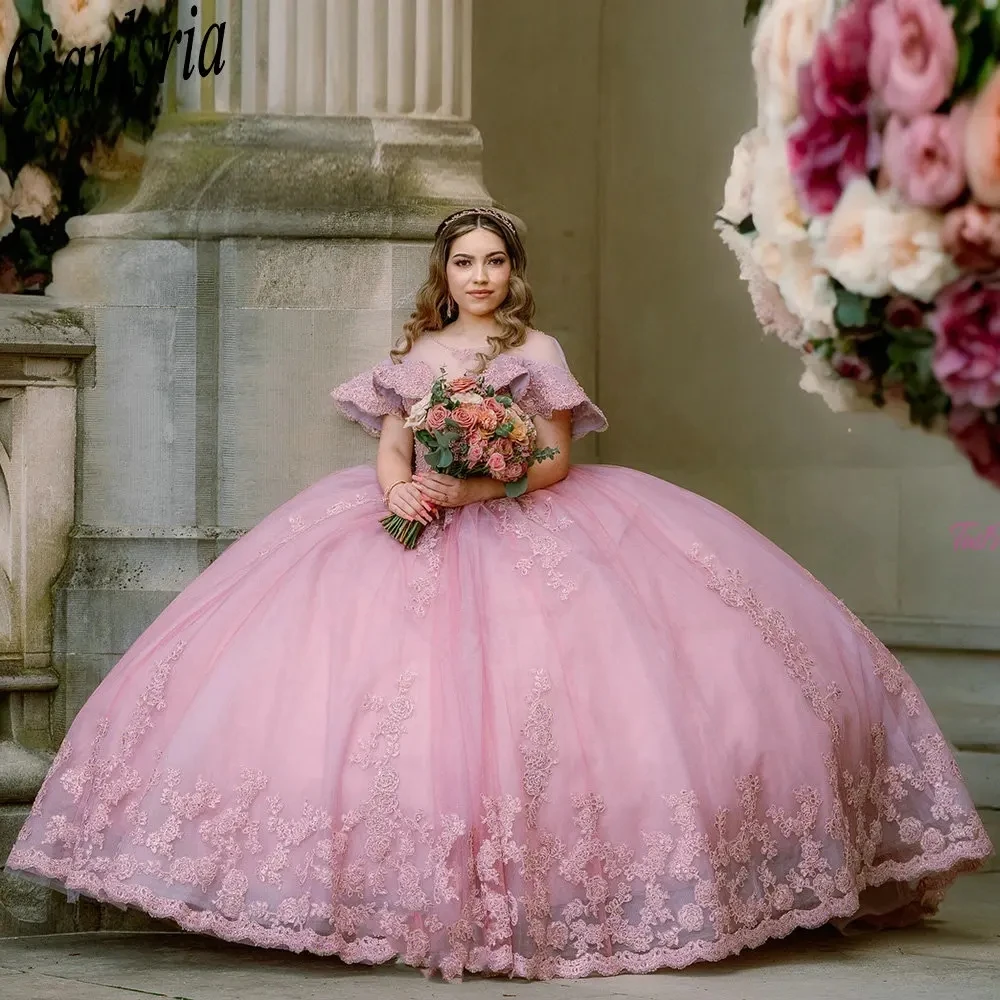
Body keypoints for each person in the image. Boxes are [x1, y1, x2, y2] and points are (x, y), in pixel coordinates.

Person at [5, 207, 992, 982]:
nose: (478, 276)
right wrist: (401, 481)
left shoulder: (537, 353)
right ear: (442, 275)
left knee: (590, 697)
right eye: (463, 261)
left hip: (523, 523)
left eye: (493, 261)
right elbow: (391, 432)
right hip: (412, 520)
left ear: (513, 273)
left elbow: (556, 458)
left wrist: (479, 480)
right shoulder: (418, 358)